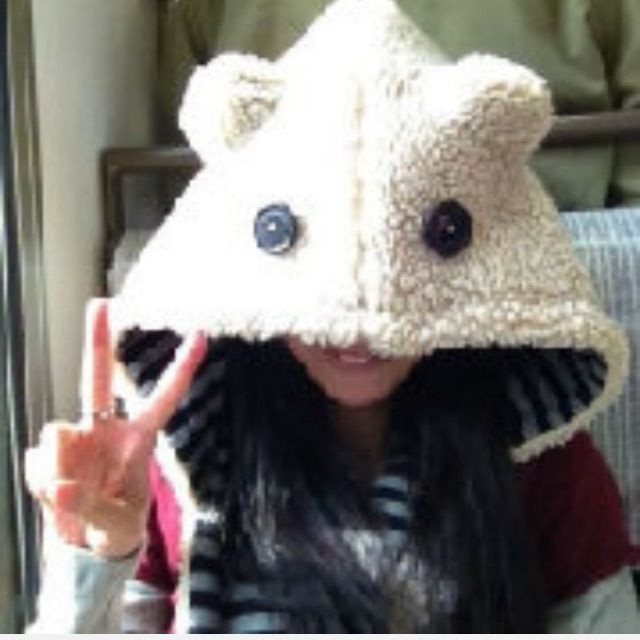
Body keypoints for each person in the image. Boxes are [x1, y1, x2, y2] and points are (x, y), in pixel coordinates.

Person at [26, 0, 640, 633]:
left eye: (401, 255)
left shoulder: (540, 456)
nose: (358, 316)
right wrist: (96, 559)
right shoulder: (179, 462)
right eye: (307, 250)